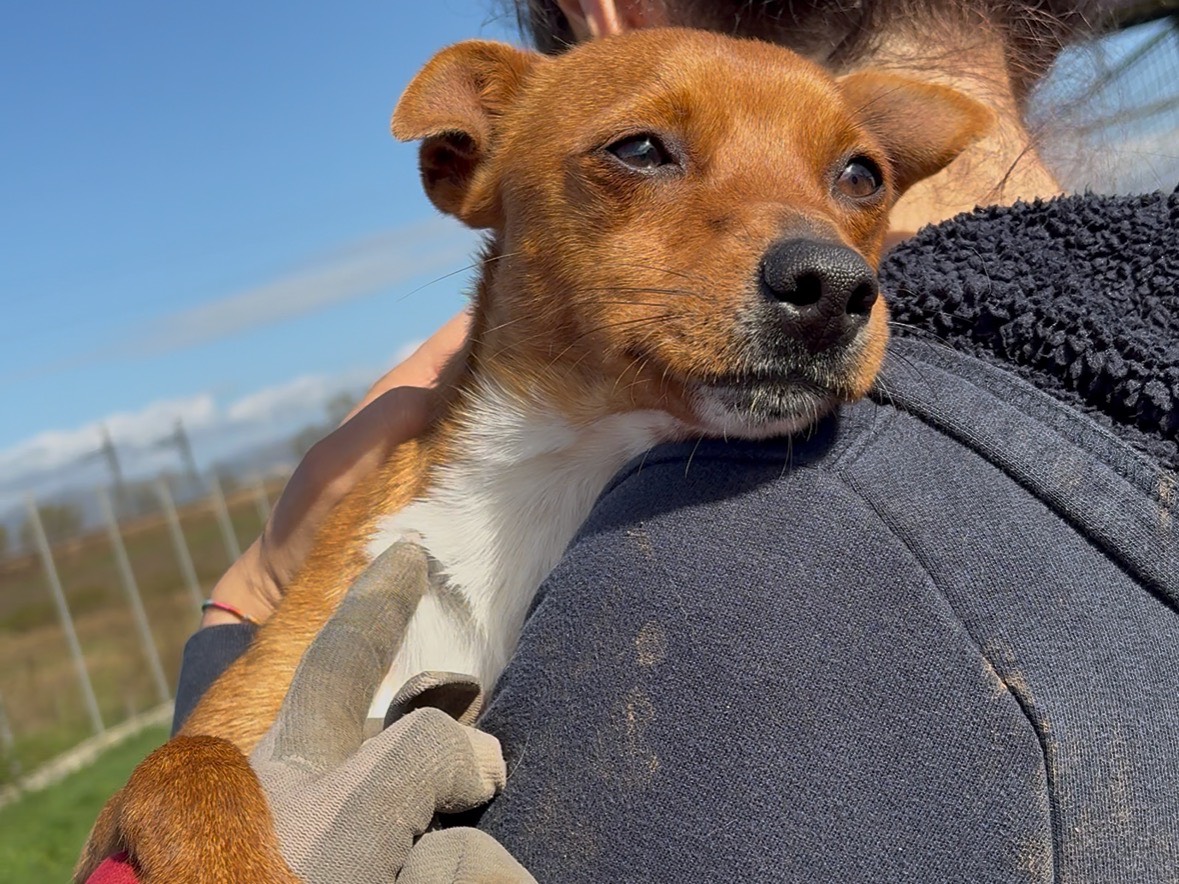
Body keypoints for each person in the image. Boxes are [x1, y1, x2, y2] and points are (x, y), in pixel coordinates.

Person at [90, 1, 1179, 881]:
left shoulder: (823, 555)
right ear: (469, 162)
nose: (818, 255)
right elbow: (155, 811)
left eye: (854, 177)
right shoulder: (372, 535)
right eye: (644, 152)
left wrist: (232, 607)